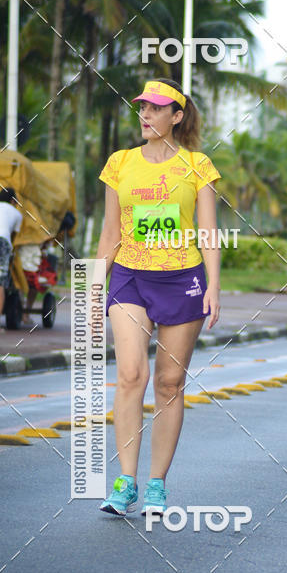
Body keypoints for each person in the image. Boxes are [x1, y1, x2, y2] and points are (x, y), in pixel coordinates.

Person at [96, 78, 221, 516]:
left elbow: (207, 232)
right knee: (132, 375)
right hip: (130, 276)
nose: (146, 114)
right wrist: (97, 283)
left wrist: (214, 286)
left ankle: (155, 483)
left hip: (182, 278)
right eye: (142, 107)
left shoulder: (197, 165)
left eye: (156, 108)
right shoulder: (120, 162)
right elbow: (110, 232)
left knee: (170, 382)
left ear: (177, 116)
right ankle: (125, 480)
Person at [0, 187, 23, 331]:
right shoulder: (16, 213)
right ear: (13, 200)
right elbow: (15, 238)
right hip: (2, 242)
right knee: (1, 283)